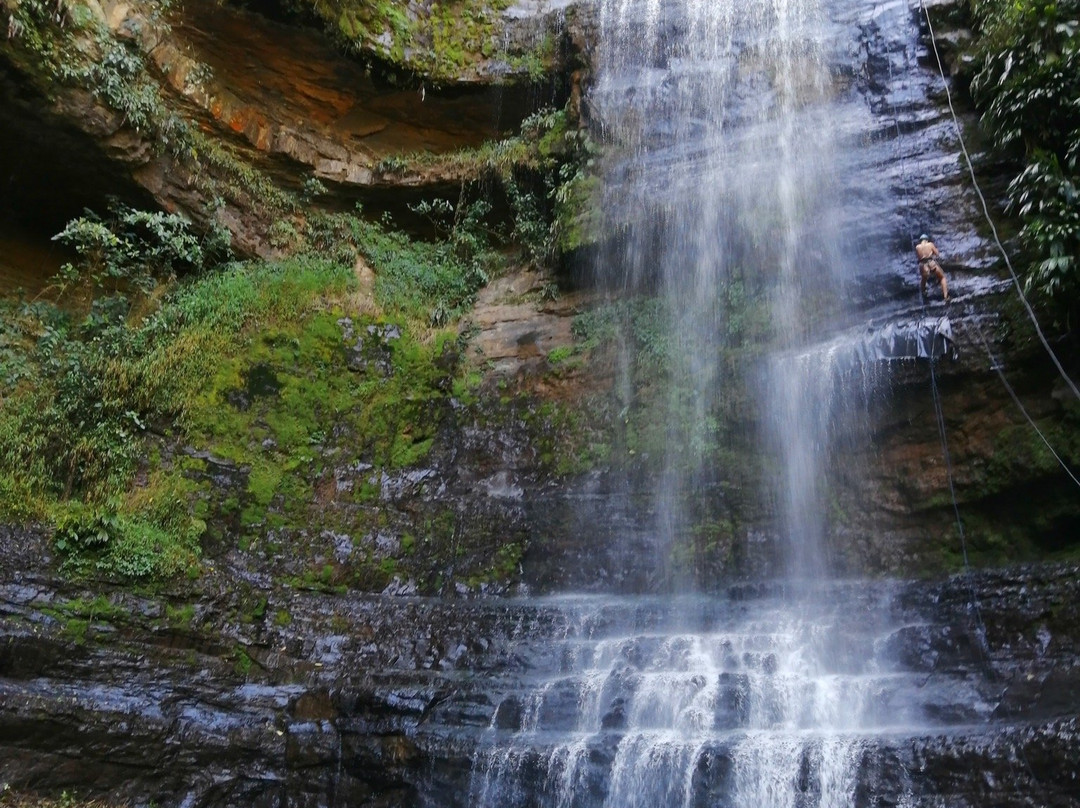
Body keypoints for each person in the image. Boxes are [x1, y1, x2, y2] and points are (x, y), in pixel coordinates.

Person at [915, 234, 948, 301]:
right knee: (942, 277)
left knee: (923, 279)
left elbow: (919, 258)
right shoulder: (930, 244)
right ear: (927, 240)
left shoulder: (917, 247)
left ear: (920, 240)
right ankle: (946, 296)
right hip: (931, 263)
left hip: (923, 265)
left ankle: (924, 293)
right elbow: (937, 253)